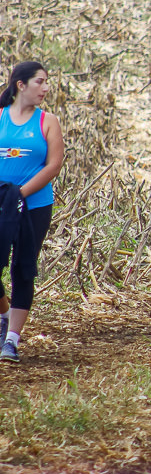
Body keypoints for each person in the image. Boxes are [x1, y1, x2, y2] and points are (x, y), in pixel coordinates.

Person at [0, 61, 65, 363]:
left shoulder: (47, 121)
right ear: (20, 85)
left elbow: (53, 165)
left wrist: (20, 194)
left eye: (47, 82)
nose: (46, 88)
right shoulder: (0, 117)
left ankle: (11, 340)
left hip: (34, 206)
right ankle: (4, 315)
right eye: (40, 82)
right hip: (1, 204)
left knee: (23, 270)